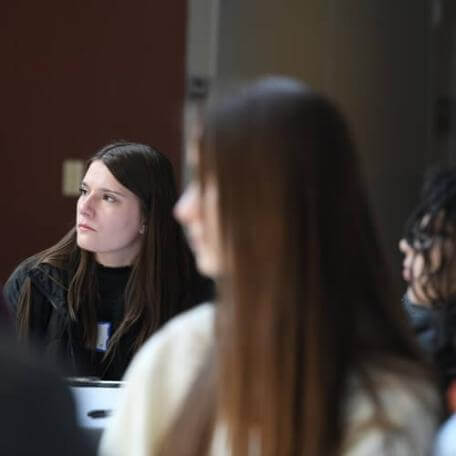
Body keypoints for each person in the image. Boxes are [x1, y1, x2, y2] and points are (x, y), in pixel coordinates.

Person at [100, 78, 440, 455]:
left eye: (211, 183)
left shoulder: (387, 403)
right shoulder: (179, 351)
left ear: (277, 205)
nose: (184, 209)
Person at [4, 141, 211, 380]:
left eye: (108, 198)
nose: (85, 207)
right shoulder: (34, 282)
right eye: (84, 191)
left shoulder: (194, 292)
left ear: (147, 216)